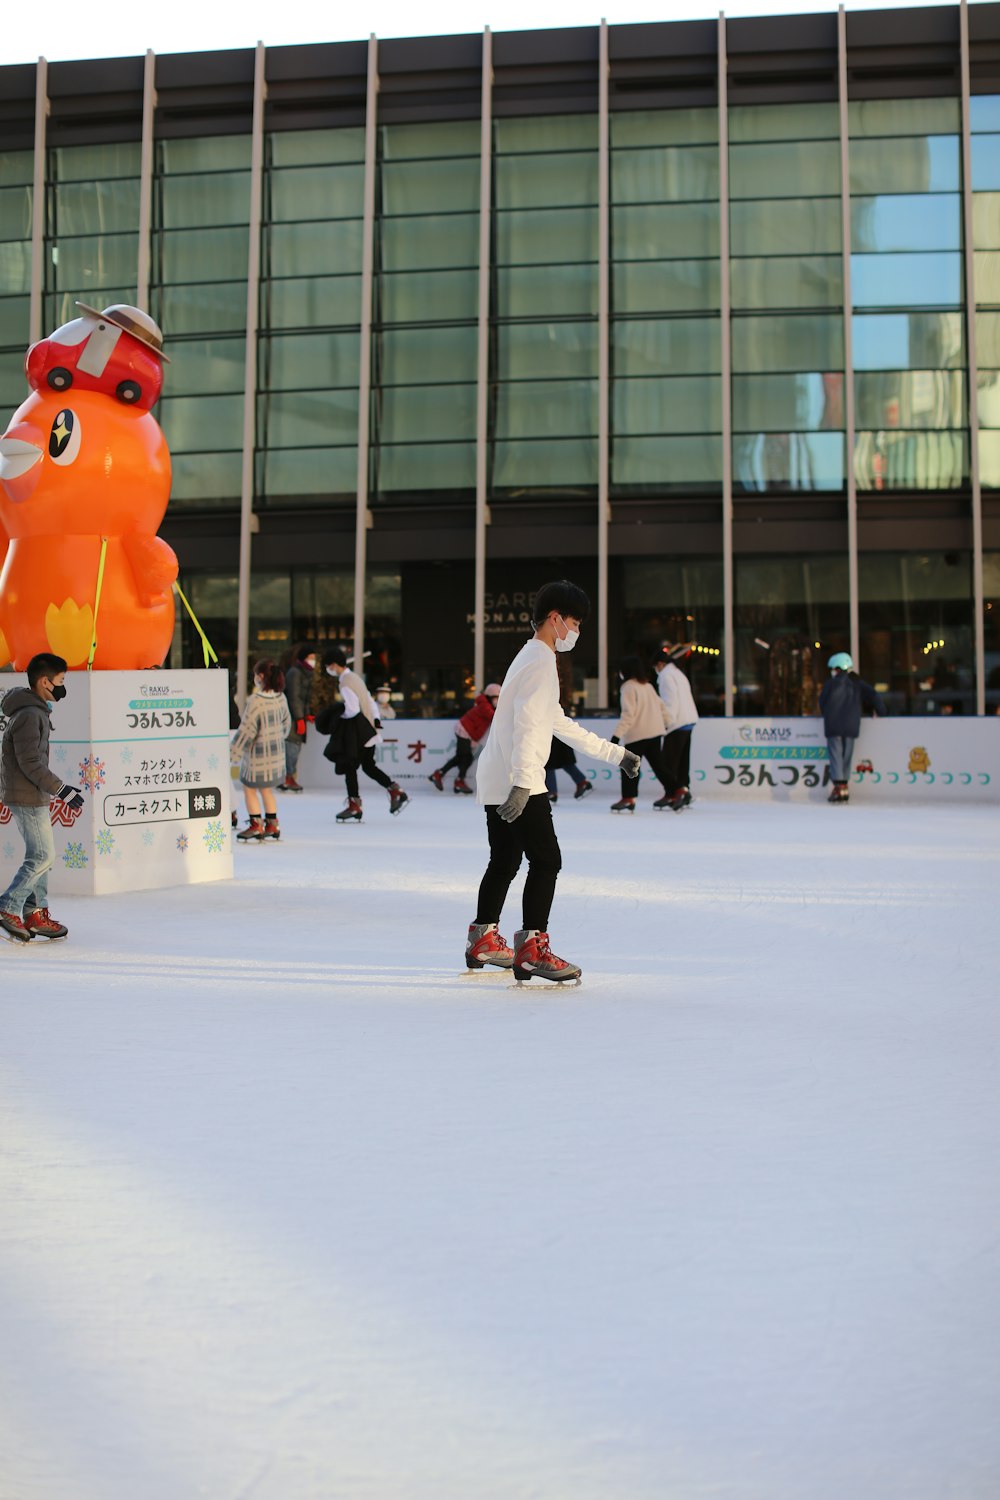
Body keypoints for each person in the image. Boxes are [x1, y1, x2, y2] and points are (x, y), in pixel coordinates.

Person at [466, 579, 640, 983]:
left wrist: (615, 754)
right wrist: (525, 783)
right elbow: (528, 724)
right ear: (555, 619)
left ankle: (483, 939)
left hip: (501, 776)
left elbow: (554, 720)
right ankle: (531, 950)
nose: (576, 632)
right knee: (546, 861)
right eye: (575, 622)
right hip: (518, 778)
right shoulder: (541, 661)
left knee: (505, 860)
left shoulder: (530, 656)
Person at [0, 652, 83, 942]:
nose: (62, 687)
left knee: (41, 857)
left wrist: (59, 789)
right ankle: (8, 906)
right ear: (45, 681)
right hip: (26, 795)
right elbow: (30, 763)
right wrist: (61, 789)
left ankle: (35, 913)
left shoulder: (35, 711)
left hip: (31, 793)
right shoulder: (29, 715)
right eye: (60, 681)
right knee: (43, 856)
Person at [323, 648, 409, 822]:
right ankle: (394, 790)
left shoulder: (345, 682)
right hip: (369, 730)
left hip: (359, 732)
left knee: (350, 766)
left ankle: (355, 805)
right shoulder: (355, 678)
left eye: (328, 666)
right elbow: (370, 700)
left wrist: (338, 717)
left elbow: (353, 709)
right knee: (368, 766)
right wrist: (376, 719)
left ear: (333, 665)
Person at [230, 659, 292, 841]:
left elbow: (247, 730)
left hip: (258, 754)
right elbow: (287, 724)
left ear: (262, 676)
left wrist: (234, 752)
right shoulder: (281, 697)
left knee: (249, 788)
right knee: (266, 789)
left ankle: (256, 824)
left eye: (256, 674)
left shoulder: (256, 700)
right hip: (276, 754)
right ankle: (272, 824)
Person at [819, 652, 886, 803]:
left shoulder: (831, 683)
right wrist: (880, 711)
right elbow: (874, 696)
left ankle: (838, 788)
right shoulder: (857, 683)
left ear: (837, 668)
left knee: (836, 755)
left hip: (833, 725)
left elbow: (822, 702)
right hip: (851, 725)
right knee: (846, 756)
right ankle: (844, 787)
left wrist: (827, 713)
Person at [608, 655, 671, 813]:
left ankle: (628, 798)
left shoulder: (628, 687)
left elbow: (629, 714)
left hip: (638, 734)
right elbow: (662, 706)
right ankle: (676, 790)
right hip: (655, 732)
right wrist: (667, 723)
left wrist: (616, 736)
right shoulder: (647, 686)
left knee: (629, 765)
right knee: (659, 766)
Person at [429, 684, 501, 794]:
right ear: (489, 697)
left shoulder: (487, 705)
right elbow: (493, 716)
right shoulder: (484, 705)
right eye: (496, 698)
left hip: (468, 733)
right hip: (464, 730)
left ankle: (444, 776)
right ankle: (455, 780)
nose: (497, 701)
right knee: (465, 757)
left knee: (464, 758)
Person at [654, 642, 700, 811]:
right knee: (682, 761)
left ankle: (672, 793)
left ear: (659, 664)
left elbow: (669, 701)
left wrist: (666, 723)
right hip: (688, 721)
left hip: (676, 723)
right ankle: (684, 789)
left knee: (668, 763)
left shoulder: (666, 676)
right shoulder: (678, 673)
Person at [544, 649, 592, 802]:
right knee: (563, 760)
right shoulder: (562, 675)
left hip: (553, 719)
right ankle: (580, 781)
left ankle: (552, 791)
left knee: (549, 760)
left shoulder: (551, 676)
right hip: (560, 718)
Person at [279, 643, 316, 793]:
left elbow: (304, 698)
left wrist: (307, 714)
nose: (313, 661)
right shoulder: (295, 673)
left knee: (295, 746)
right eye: (311, 658)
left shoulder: (306, 673)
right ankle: (288, 777)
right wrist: (300, 718)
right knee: (292, 745)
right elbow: (294, 697)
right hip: (291, 718)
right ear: (303, 659)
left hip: (297, 716)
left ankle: (290, 776)